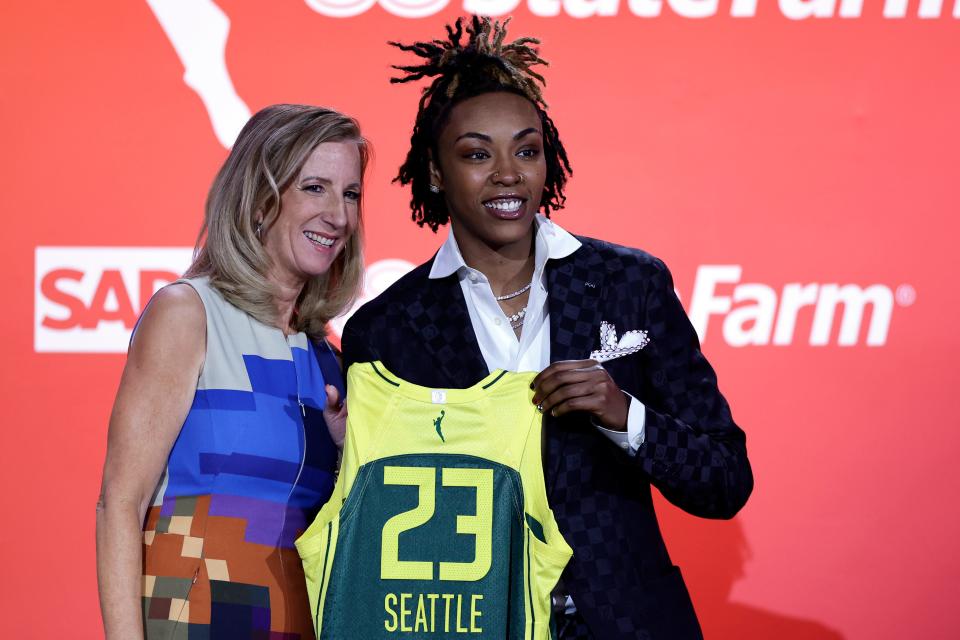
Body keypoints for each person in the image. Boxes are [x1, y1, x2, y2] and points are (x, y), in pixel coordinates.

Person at [340, 17, 753, 639]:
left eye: (526, 150)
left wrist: (624, 414)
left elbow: (724, 482)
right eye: (477, 154)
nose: (508, 173)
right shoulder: (386, 329)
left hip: (628, 623)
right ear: (434, 171)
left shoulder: (630, 283)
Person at [96, 104, 368, 639]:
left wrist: (347, 457)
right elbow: (119, 505)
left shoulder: (326, 356)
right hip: (192, 622)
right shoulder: (188, 314)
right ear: (260, 199)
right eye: (314, 187)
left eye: (351, 193)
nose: (338, 214)